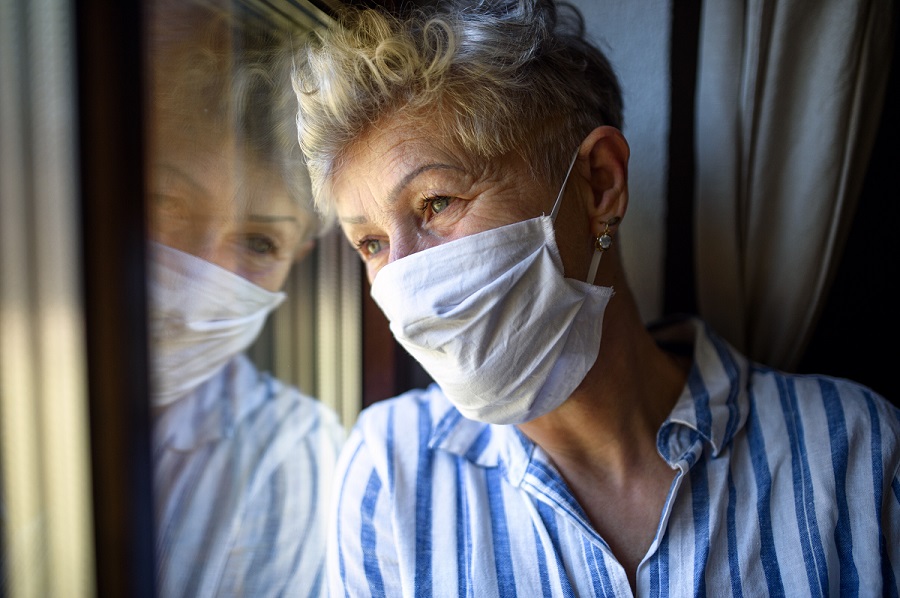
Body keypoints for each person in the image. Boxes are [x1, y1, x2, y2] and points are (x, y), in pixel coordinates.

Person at [292, 0, 900, 596]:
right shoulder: (390, 475)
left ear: (600, 184)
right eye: (369, 242)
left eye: (437, 202)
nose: (403, 280)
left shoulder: (854, 454)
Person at [145, 1, 344, 596]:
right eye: (166, 203)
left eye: (259, 242)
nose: (202, 277)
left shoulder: (288, 457)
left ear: (297, 258)